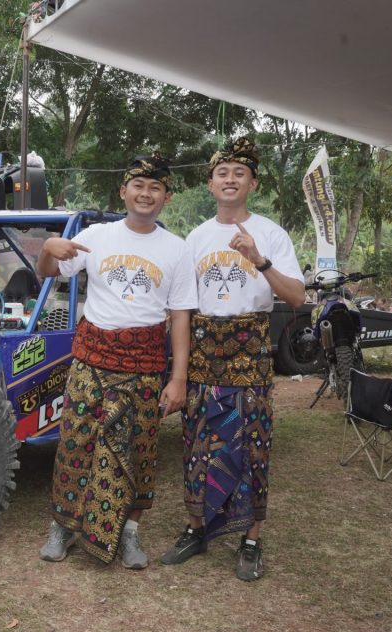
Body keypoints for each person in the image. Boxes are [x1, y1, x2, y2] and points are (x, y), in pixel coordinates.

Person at [36, 153, 199, 570]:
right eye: (138, 185)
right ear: (123, 191)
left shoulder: (177, 250)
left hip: (144, 364)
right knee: (75, 443)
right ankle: (62, 527)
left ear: (167, 197)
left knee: (139, 450)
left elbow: (180, 316)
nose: (146, 193)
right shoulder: (97, 236)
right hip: (91, 358)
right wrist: (47, 249)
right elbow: (48, 271)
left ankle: (129, 532)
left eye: (155, 187)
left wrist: (178, 378)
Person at [160, 137, 305, 581]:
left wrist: (260, 260)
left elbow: (297, 297)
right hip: (205, 351)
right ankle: (197, 528)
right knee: (198, 442)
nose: (230, 179)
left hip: (250, 350)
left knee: (252, 445)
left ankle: (251, 539)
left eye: (239, 173)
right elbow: (182, 309)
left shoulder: (272, 234)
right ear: (210, 184)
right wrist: (178, 373)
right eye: (222, 173)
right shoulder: (196, 238)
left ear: (252, 184)